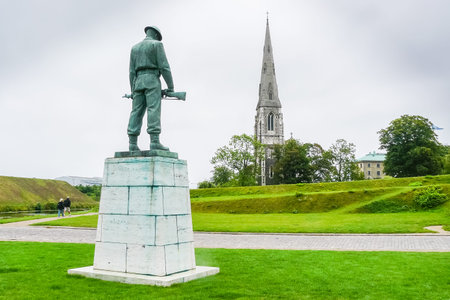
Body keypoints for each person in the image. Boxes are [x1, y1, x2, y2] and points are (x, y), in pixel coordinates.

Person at [127, 25, 174, 152]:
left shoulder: (134, 48)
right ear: (156, 35)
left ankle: (132, 143)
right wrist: (170, 87)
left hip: (138, 82)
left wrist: (132, 90)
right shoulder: (156, 45)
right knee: (153, 110)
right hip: (152, 79)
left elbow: (131, 72)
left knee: (136, 111)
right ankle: (154, 142)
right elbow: (164, 67)